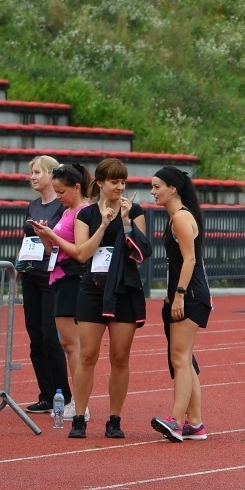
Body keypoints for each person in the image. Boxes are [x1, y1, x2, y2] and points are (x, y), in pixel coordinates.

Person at [64, 158, 151, 440]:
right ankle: (79, 417)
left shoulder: (134, 211)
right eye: (114, 181)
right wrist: (103, 226)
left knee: (119, 357)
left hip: (124, 289)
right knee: (87, 356)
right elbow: (81, 254)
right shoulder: (85, 215)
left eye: (123, 182)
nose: (120, 186)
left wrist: (125, 223)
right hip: (92, 288)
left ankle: (114, 419)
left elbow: (140, 253)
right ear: (100, 183)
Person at [149, 166, 212, 443]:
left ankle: (175, 420)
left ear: (172, 188)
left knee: (180, 358)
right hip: (187, 294)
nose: (153, 192)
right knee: (185, 359)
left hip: (191, 295)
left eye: (157, 186)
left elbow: (189, 260)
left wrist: (179, 294)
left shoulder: (181, 218)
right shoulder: (174, 217)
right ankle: (195, 424)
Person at [30, 163, 91, 426]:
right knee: (68, 344)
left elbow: (79, 251)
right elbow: (54, 249)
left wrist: (52, 234)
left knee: (73, 345)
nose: (60, 197)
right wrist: (45, 235)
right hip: (59, 276)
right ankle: (76, 400)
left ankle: (80, 402)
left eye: (62, 191)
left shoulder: (83, 212)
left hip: (73, 277)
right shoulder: (67, 212)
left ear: (76, 187)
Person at [19, 154, 68, 416]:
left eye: (38, 172)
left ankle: (64, 394)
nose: (33, 177)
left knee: (51, 336)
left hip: (52, 275)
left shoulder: (61, 208)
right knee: (35, 336)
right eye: (32, 173)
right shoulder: (33, 205)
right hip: (31, 274)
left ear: (51, 174)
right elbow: (26, 240)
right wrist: (19, 265)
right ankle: (46, 395)